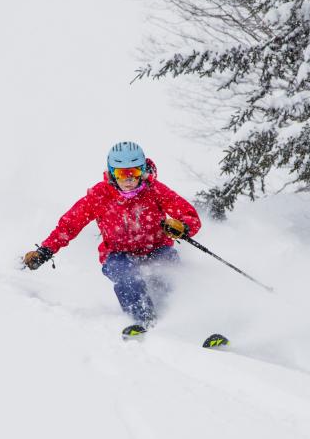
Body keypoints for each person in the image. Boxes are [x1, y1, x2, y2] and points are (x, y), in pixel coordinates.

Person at [23, 141, 201, 334]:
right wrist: (45, 250)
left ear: (143, 170)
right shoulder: (100, 195)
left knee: (168, 275)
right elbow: (70, 224)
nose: (129, 179)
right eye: (122, 173)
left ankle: (185, 325)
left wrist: (183, 227)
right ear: (112, 172)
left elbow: (189, 215)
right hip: (118, 254)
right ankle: (145, 323)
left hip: (156, 248)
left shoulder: (155, 190)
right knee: (128, 276)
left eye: (134, 171)